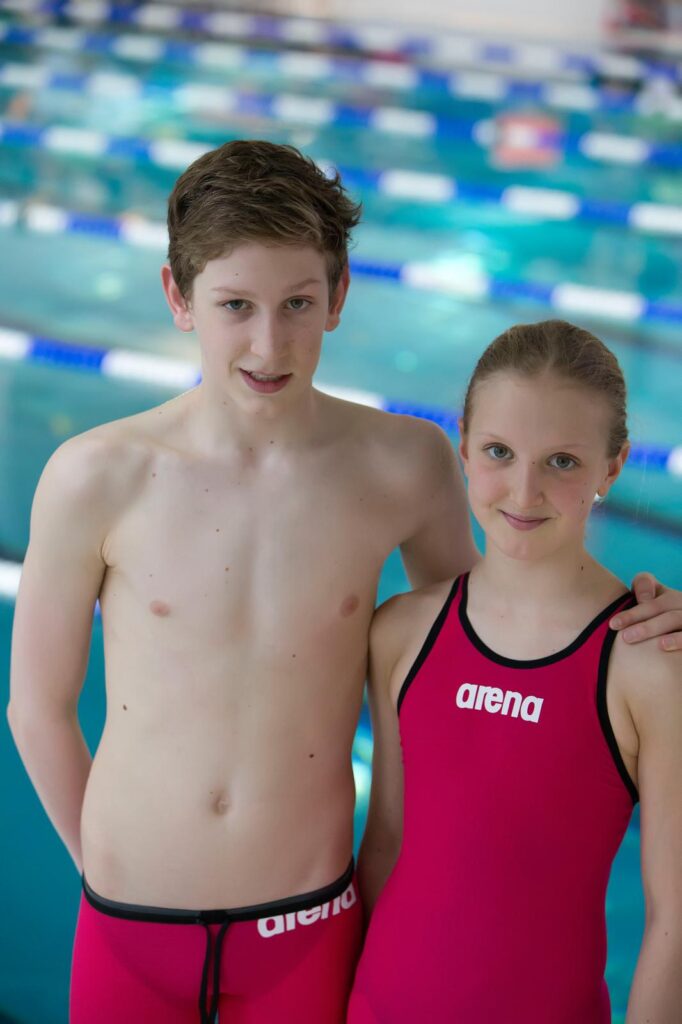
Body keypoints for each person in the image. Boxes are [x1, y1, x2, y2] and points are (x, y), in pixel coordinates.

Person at [6, 143, 680, 1024]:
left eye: (298, 304)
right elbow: (36, 707)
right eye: (235, 306)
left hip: (308, 926)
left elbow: (482, 648)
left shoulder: (402, 465)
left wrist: (642, 616)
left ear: (340, 295)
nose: (268, 342)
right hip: (128, 923)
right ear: (178, 298)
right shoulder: (95, 476)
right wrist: (96, 865)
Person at [348, 320, 682, 1024]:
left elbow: (673, 920)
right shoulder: (402, 633)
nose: (524, 492)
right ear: (464, 442)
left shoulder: (645, 663)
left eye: (562, 461)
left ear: (612, 467)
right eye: (500, 451)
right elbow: (383, 847)